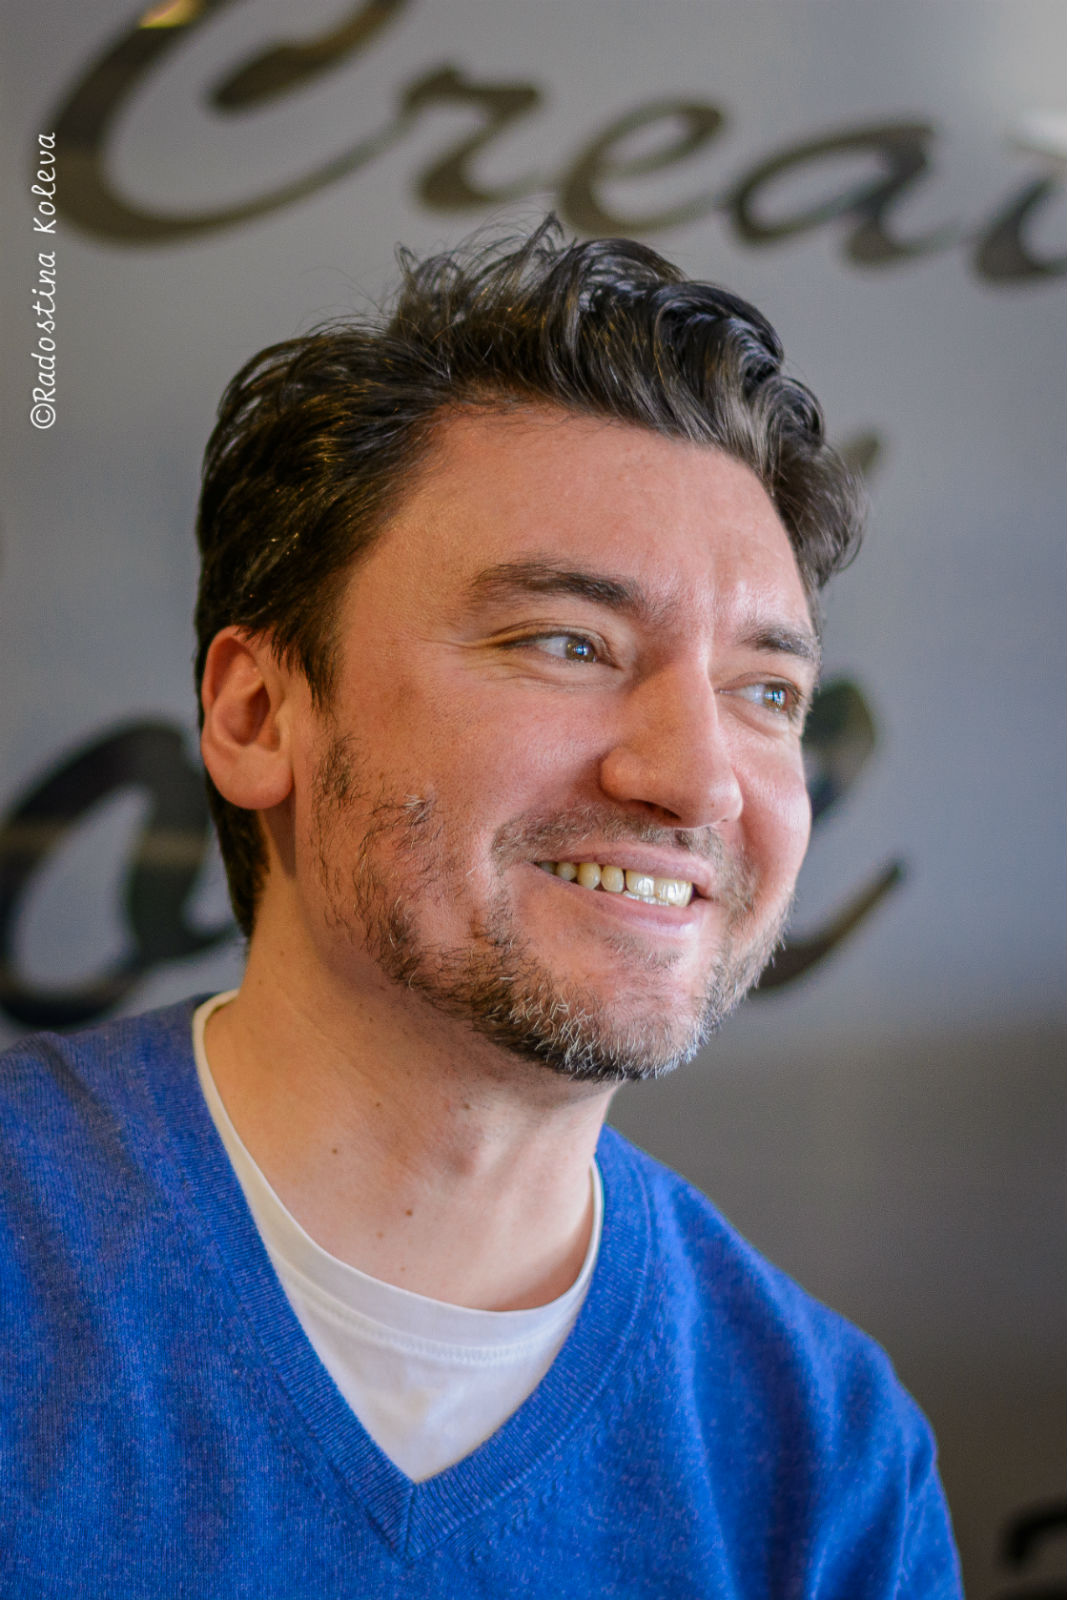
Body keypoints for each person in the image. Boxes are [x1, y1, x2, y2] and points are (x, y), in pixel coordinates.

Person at [0, 219, 962, 1596]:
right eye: (569, 643)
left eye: (767, 692)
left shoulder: (828, 1457)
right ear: (259, 714)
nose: (698, 778)